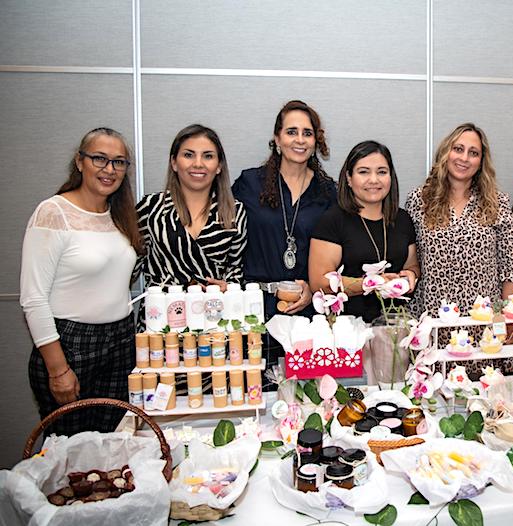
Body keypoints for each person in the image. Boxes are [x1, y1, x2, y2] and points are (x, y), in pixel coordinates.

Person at [20, 127, 143, 435]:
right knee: (70, 453)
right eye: (99, 159)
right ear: (79, 161)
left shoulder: (120, 214)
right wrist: (58, 369)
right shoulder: (54, 212)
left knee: (110, 447)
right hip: (71, 344)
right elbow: (33, 299)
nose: (109, 169)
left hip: (120, 341)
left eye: (118, 162)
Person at [406, 123, 513, 377]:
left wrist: (511, 324)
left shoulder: (498, 202)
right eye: (458, 149)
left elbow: (512, 266)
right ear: (445, 153)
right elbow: (410, 261)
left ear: (481, 162)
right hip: (432, 324)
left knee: (481, 401)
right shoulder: (419, 200)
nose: (464, 158)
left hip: (482, 327)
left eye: (474, 153)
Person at [232, 100, 336, 365]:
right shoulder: (249, 184)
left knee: (305, 398)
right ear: (277, 139)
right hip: (255, 311)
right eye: (291, 132)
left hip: (308, 315)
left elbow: (338, 255)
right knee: (257, 395)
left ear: (315, 141)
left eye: (307, 133)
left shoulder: (328, 192)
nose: (299, 140)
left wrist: (313, 289)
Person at [310, 140, 419, 322]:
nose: (374, 180)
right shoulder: (333, 221)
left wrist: (411, 275)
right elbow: (319, 282)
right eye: (363, 172)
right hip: (347, 331)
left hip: (394, 329)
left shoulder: (402, 220)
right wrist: (373, 284)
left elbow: (412, 265)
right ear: (349, 179)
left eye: (382, 172)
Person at [136, 124, 247, 301]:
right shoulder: (150, 208)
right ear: (174, 162)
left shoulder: (235, 211)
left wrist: (230, 288)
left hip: (214, 319)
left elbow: (236, 271)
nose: (198, 163)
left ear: (219, 166)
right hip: (161, 320)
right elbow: (129, 267)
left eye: (208, 156)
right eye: (188, 155)